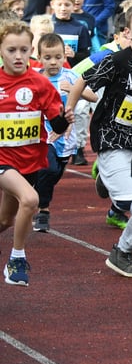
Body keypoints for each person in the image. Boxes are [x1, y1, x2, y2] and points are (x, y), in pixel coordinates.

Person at [66, 2, 132, 277]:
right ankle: (122, 250)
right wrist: (68, 112)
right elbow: (82, 81)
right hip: (112, 137)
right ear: (127, 32)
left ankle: (122, 249)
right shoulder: (117, 60)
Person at [0, 21, 72, 285]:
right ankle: (16, 260)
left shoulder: (40, 84)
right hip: (2, 160)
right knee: (31, 200)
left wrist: (65, 119)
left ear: (31, 51)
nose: (18, 56)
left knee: (5, 220)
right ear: (1, 51)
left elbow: (56, 124)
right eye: (11, 50)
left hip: (29, 162)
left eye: (23, 50)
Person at [33, 33, 94, 233]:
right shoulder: (36, 79)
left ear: (64, 57)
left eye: (58, 57)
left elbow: (93, 96)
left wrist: (76, 90)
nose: (53, 62)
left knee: (56, 171)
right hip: (44, 134)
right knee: (48, 169)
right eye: (48, 57)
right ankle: (43, 210)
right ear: (39, 58)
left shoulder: (70, 76)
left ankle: (38, 193)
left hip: (67, 136)